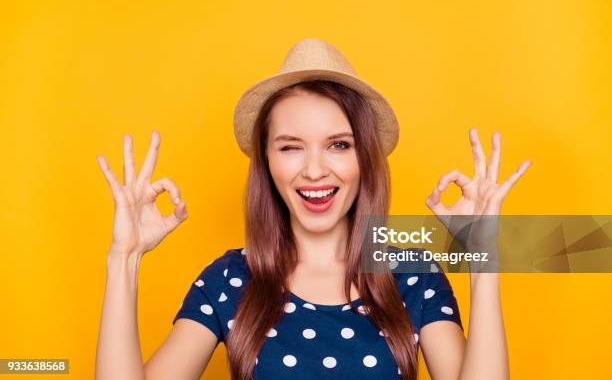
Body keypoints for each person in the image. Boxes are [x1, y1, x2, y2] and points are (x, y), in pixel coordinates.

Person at [95, 38, 531, 379]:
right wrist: (124, 258)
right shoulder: (230, 280)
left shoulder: (413, 276)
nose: (315, 170)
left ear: (366, 160)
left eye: (338, 145)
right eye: (291, 147)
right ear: (266, 162)